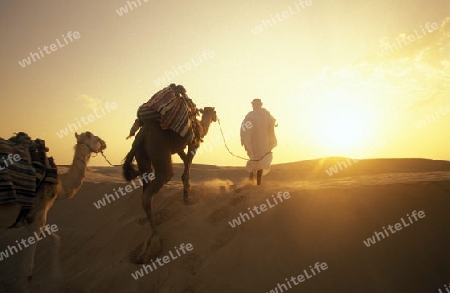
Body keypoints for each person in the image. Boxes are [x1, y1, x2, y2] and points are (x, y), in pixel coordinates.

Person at [240, 99, 277, 185]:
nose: (254, 106)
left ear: (259, 105)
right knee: (256, 159)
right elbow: (245, 127)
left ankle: (256, 182)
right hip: (257, 142)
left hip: (262, 142)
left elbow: (270, 123)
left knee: (258, 159)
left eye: (255, 104)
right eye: (254, 104)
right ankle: (253, 181)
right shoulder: (254, 115)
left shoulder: (263, 114)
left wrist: (273, 124)